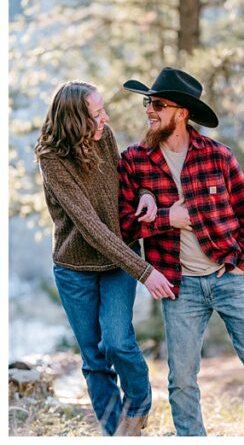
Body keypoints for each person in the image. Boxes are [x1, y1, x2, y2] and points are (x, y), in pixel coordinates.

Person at [117, 67, 244, 436]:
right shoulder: (134, 161)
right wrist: (165, 220)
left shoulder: (218, 157)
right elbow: (124, 226)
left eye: (157, 104)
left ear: (182, 112)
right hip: (180, 285)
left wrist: (242, 264)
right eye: (148, 102)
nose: (149, 110)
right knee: (182, 381)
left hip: (230, 277)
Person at [35, 80, 177, 436]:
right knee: (95, 359)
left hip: (118, 263)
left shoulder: (105, 136)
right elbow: (90, 228)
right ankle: (119, 433)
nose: (106, 118)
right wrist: (145, 271)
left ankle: (140, 404)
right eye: (97, 114)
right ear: (74, 121)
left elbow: (124, 180)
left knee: (118, 343)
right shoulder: (52, 160)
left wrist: (144, 192)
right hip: (75, 270)